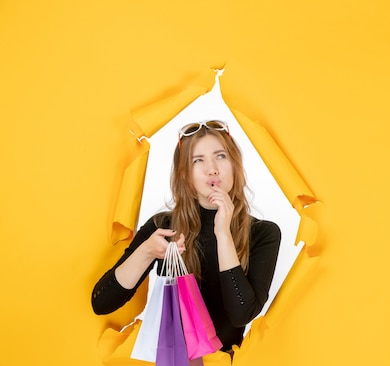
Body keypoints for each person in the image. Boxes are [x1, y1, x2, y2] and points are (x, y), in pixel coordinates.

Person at [92, 120, 281, 352]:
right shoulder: (163, 227)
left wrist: (223, 234)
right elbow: (102, 302)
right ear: (184, 175)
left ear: (235, 165)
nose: (212, 168)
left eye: (220, 156)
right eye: (197, 160)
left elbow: (242, 314)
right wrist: (147, 251)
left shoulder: (263, 233)